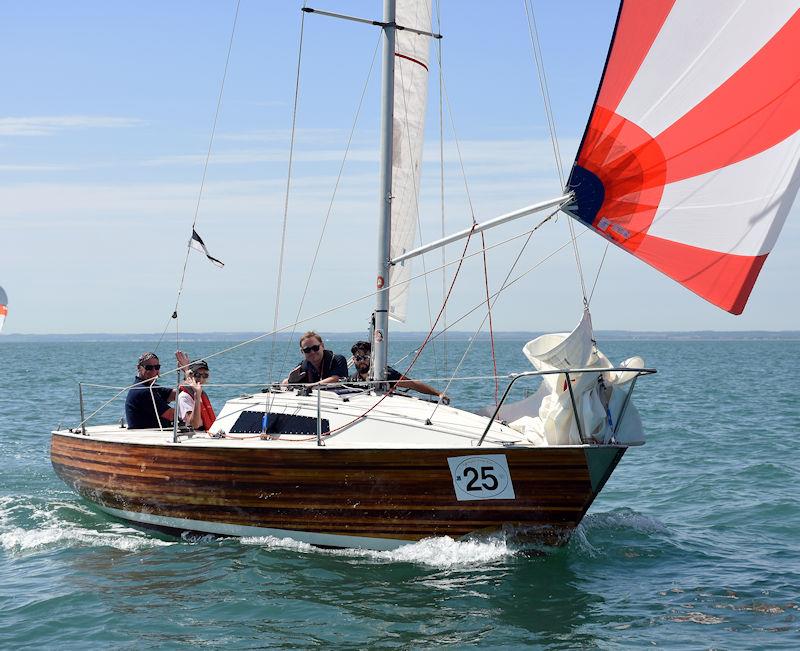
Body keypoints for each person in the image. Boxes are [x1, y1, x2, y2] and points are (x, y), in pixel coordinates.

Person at [347, 340, 450, 404]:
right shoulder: (351, 380)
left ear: (372, 358)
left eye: (365, 357)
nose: (362, 361)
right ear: (353, 360)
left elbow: (413, 384)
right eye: (358, 358)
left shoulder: (385, 374)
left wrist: (438, 393)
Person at [125, 352, 176, 429]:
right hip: (145, 437)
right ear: (139, 368)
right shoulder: (142, 391)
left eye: (157, 367)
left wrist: (188, 373)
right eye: (149, 367)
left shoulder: (150, 388)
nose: (154, 371)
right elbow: (172, 415)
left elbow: (176, 394)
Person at [177, 359, 216, 431]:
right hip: (194, 436)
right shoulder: (184, 397)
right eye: (197, 375)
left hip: (207, 434)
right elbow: (194, 424)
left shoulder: (202, 394)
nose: (201, 379)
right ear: (190, 376)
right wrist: (197, 396)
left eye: (205, 375)